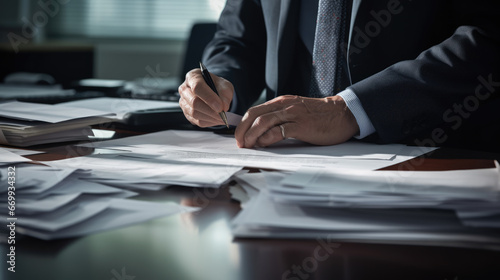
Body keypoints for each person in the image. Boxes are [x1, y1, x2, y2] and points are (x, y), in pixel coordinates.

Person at [179, 0, 500, 150]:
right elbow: (238, 37)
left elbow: (487, 36)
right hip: (279, 162)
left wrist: (351, 110)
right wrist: (220, 82)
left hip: (427, 156)